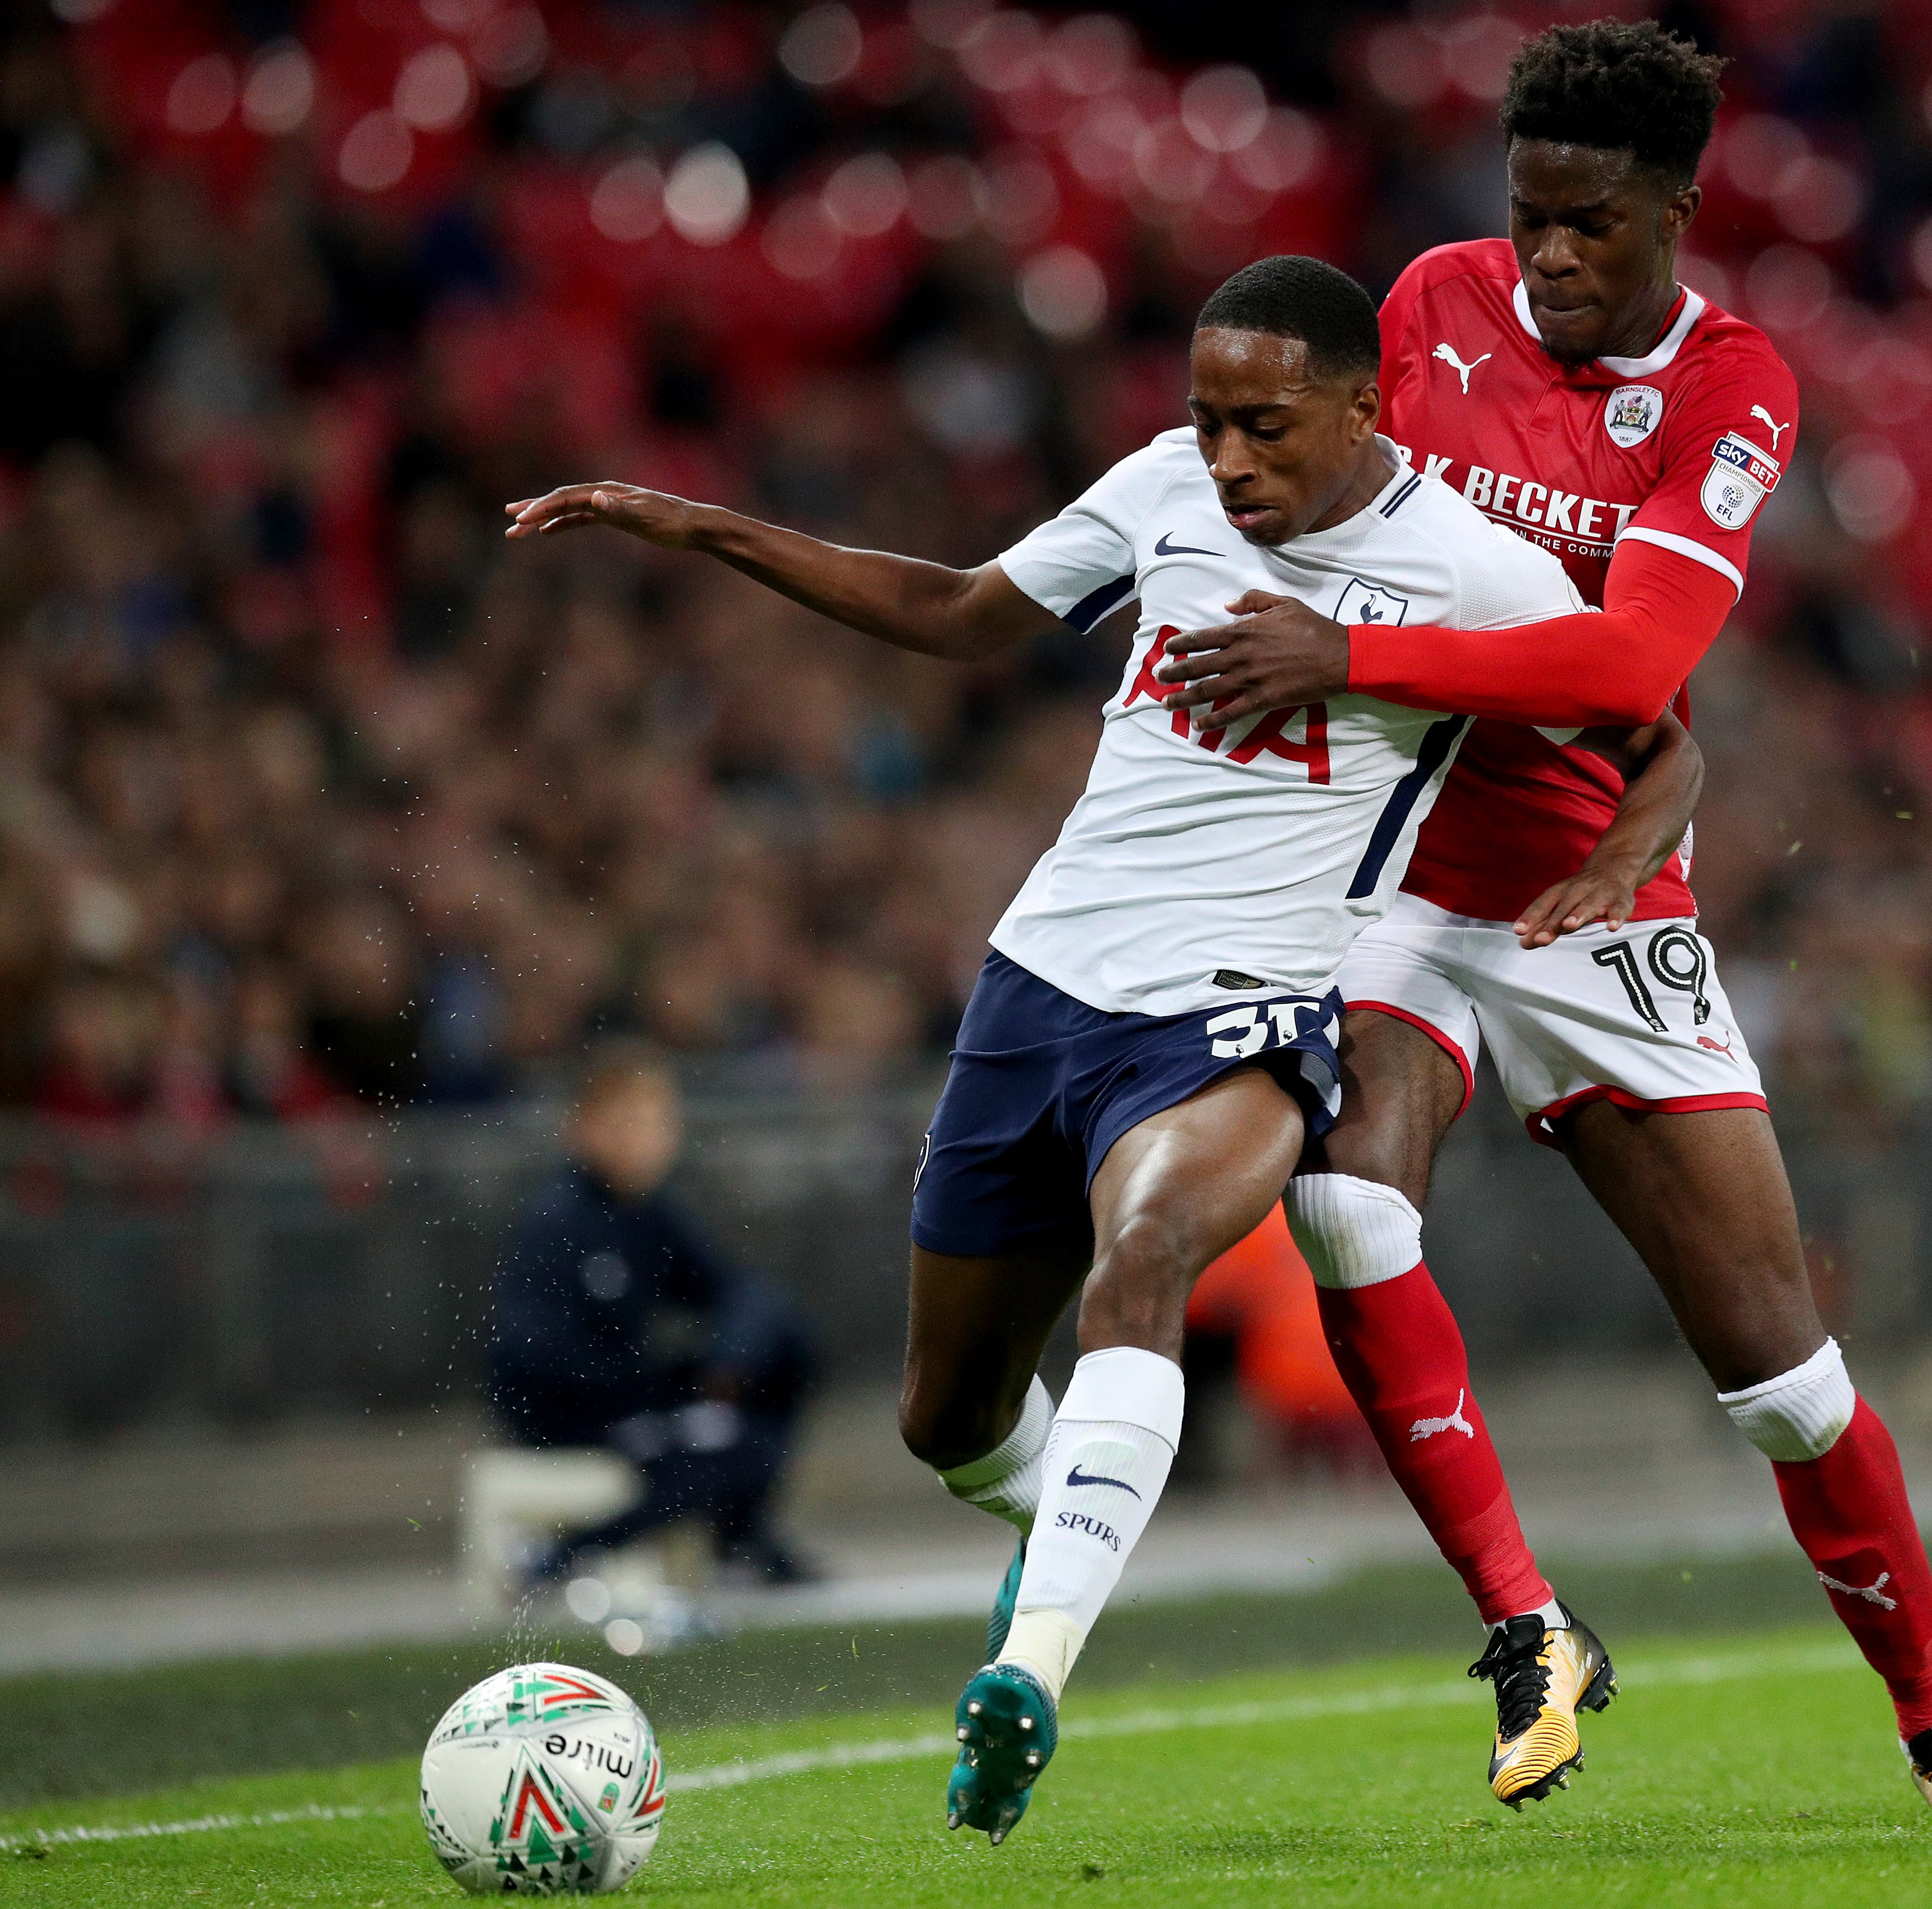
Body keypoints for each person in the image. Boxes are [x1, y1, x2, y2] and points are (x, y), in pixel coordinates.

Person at [501, 255, 1683, 1844]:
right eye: (1208, 424)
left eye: (1265, 425)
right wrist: (705, 526)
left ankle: (1030, 1673)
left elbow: (1657, 727)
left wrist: (1617, 868)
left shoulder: (1470, 569)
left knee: (1146, 1265)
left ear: (1364, 401)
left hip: (1244, 1009)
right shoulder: (1162, 491)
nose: (1232, 460)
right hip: (1037, 992)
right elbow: (957, 611)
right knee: (947, 1418)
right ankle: (1052, 1530)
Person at [1154, 23, 1932, 1831]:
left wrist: (1373, 663)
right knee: (1343, 1192)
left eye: (1591, 223)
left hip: (1596, 895)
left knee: (1783, 1379)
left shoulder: (1736, 387)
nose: (1551, 254)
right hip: (1402, 870)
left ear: (1677, 212)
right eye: (1529, 214)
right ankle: (1526, 1619)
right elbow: (1321, 519)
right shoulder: (1423, 305)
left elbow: (1635, 660)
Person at [488, 1045, 819, 1588]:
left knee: (788, 1354)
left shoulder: (652, 1211)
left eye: (654, 1123)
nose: (641, 1140)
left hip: (635, 1397)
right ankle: (569, 1554)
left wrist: (727, 1358)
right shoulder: (558, 1219)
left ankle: (737, 1539)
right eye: (623, 1123)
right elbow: (532, 1351)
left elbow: (741, 1291)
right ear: (582, 1129)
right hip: (572, 1412)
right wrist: (644, 1392)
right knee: (736, 1454)